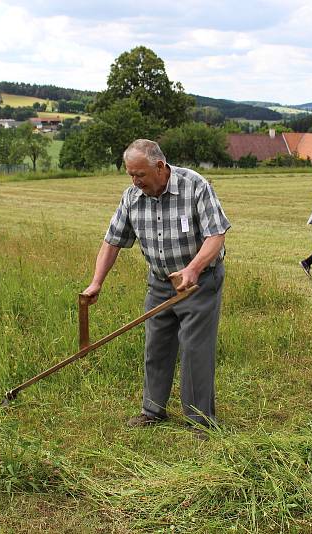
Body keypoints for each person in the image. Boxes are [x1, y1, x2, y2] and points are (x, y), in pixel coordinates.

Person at [82, 139, 230, 431]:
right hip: (160, 282)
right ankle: (153, 410)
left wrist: (193, 269)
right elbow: (112, 242)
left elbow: (216, 235)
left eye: (140, 175)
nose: (135, 182)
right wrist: (96, 282)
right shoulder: (131, 198)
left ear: (160, 167)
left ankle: (199, 422)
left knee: (194, 349)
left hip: (199, 282)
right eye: (130, 175)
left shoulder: (195, 186)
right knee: (156, 346)